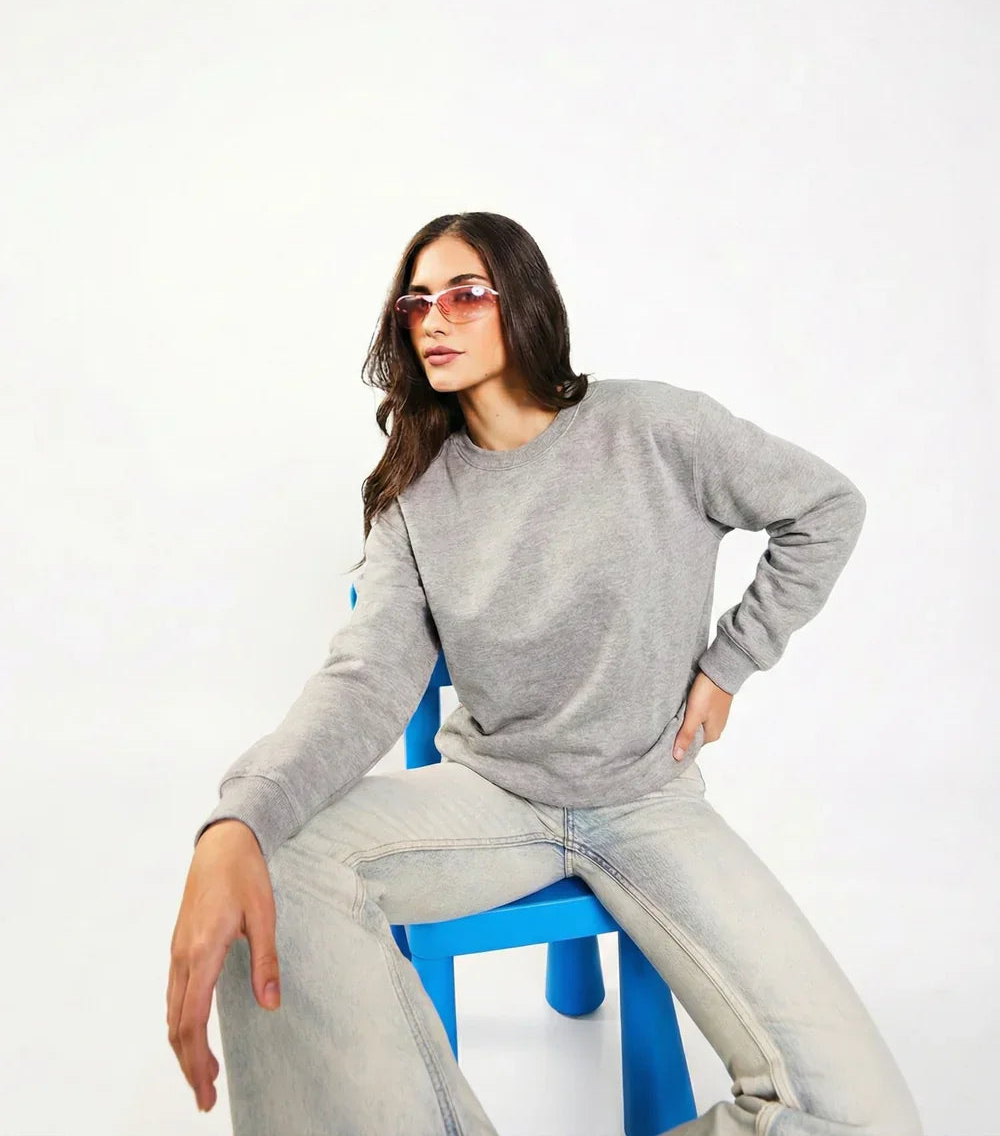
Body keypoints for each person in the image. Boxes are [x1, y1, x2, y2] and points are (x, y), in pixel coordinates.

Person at [167, 210, 924, 1136]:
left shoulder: (655, 428)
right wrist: (239, 817)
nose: (434, 320)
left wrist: (732, 661)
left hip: (650, 799)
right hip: (493, 800)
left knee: (863, 1117)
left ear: (522, 302)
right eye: (416, 303)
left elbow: (826, 509)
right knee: (269, 860)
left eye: (464, 294)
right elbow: (365, 680)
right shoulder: (416, 498)